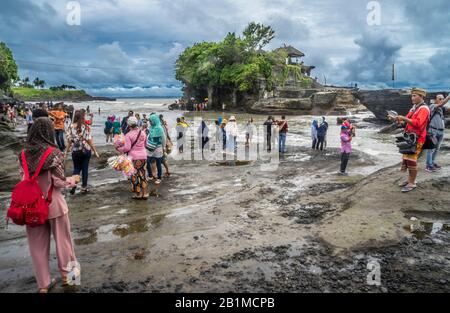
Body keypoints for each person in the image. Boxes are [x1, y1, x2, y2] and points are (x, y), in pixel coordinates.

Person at [22, 117, 79, 293]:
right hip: (53, 204)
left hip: (31, 206)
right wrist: (73, 180)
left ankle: (43, 285)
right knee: (64, 242)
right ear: (49, 131)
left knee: (37, 247)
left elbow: (23, 179)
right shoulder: (54, 153)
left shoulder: (24, 154)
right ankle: (68, 278)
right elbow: (59, 182)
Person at [392, 88, 431, 193]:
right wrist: (398, 120)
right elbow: (407, 122)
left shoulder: (423, 109)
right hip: (410, 137)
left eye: (415, 96)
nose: (412, 98)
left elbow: (418, 123)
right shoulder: (414, 108)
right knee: (408, 159)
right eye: (412, 96)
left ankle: (412, 182)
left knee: (412, 160)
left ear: (422, 97)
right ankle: (410, 180)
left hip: (417, 138)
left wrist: (404, 119)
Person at [65, 111, 100, 194]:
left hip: (75, 151)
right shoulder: (85, 127)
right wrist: (95, 151)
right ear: (82, 117)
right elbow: (89, 140)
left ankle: (73, 184)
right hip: (86, 150)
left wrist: (66, 152)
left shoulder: (70, 127)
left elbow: (69, 141)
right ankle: (84, 187)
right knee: (84, 168)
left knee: (76, 168)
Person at [117, 117, 149, 199]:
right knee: (142, 174)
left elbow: (127, 148)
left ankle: (138, 194)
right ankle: (145, 194)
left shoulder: (128, 135)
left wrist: (118, 148)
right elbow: (146, 145)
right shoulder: (143, 133)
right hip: (143, 156)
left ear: (128, 125)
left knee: (134, 176)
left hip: (133, 157)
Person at [425, 94, 450, 172]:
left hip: (441, 131)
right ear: (435, 100)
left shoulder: (442, 108)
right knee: (431, 149)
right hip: (433, 131)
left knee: (436, 149)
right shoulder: (432, 106)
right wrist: (449, 97)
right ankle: (428, 166)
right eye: (440, 98)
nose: (441, 100)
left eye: (442, 98)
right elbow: (441, 104)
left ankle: (432, 163)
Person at [147, 115, 166, 185]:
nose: (150, 122)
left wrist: (164, 148)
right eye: (149, 121)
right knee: (148, 162)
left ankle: (159, 178)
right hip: (150, 148)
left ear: (154, 120)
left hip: (158, 148)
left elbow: (163, 139)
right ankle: (150, 175)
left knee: (158, 163)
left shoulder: (160, 128)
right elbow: (148, 137)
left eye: (151, 121)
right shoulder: (150, 127)